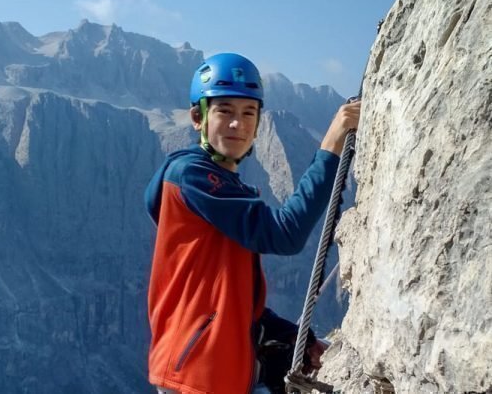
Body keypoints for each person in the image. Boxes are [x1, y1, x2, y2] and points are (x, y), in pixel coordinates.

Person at [145, 53, 361, 394]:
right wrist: (331, 145)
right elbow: (284, 234)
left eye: (249, 113)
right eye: (224, 111)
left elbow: (231, 299)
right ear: (197, 118)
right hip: (198, 379)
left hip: (218, 371)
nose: (238, 124)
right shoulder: (193, 178)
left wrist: (292, 335)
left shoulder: (224, 186)